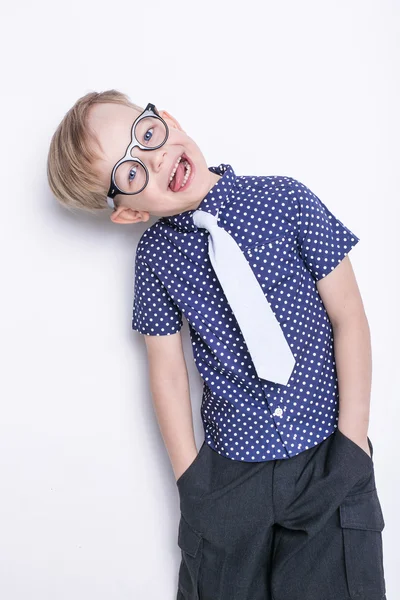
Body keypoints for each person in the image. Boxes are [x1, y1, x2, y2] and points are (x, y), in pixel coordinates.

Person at [47, 89, 387, 600]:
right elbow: (166, 367)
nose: (155, 158)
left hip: (326, 454)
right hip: (230, 477)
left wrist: (352, 443)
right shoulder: (156, 257)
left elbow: (349, 318)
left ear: (167, 119)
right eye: (132, 173)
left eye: (147, 134)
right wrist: (192, 481)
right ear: (129, 212)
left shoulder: (285, 199)